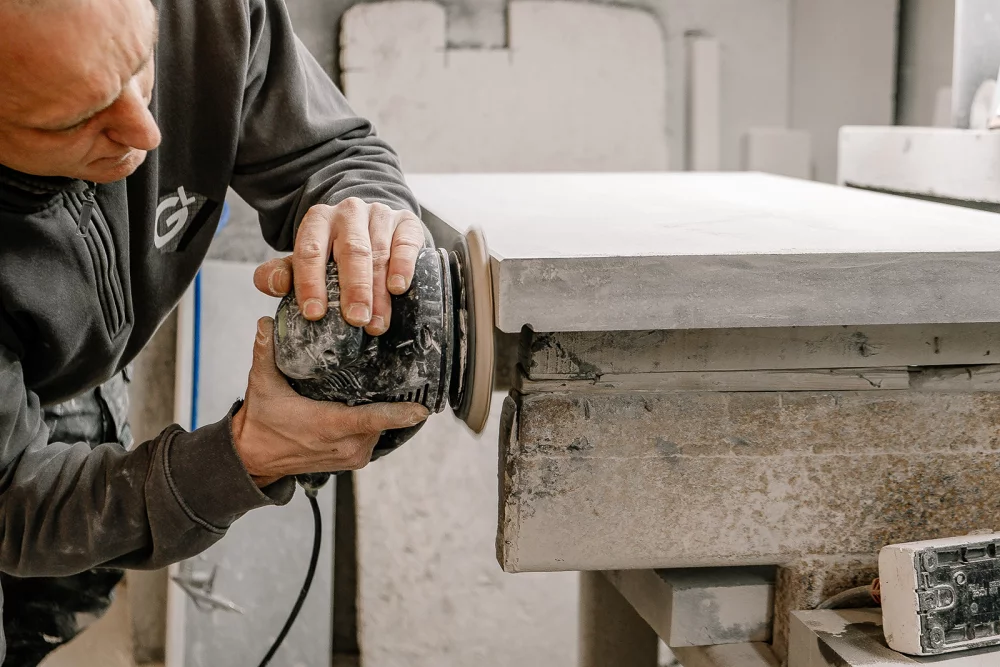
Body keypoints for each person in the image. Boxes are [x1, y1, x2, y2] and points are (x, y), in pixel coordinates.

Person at [0, 0, 432, 663]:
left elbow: (327, 150)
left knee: (66, 591)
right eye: (76, 119)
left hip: (63, 356)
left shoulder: (207, 12)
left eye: (142, 63)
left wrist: (362, 208)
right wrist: (240, 458)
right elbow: (15, 501)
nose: (147, 132)